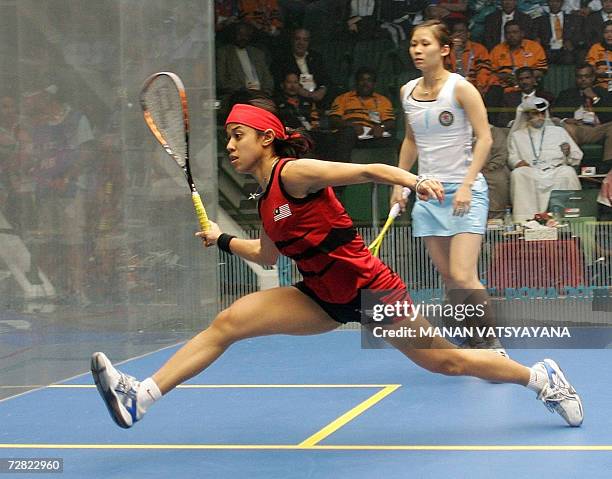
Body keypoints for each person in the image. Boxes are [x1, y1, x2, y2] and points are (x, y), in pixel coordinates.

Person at [91, 100, 583, 430]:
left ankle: (540, 377)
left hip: (374, 294)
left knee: (447, 361)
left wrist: (415, 182)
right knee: (228, 322)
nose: (231, 145)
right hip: (322, 298)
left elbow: (367, 169)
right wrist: (222, 240)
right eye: (228, 138)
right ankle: (142, 396)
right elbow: (266, 255)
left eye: (238, 135)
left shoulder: (296, 174)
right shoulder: (265, 200)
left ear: (266, 138)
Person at [392, 19, 504, 352]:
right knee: (448, 277)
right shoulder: (407, 92)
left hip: (465, 193)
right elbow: (411, 141)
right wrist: (401, 183)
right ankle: (470, 333)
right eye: (413, 44)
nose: (417, 50)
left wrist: (468, 184)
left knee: (462, 274)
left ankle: (490, 344)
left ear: (444, 50)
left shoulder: (460, 88)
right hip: (428, 195)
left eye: (425, 44)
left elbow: (485, 138)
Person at [508, 96, 583, 222]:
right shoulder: (517, 135)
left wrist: (568, 152)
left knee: (568, 172)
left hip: (555, 170)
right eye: (535, 114)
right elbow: (512, 156)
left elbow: (577, 156)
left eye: (542, 113)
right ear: (526, 116)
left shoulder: (558, 131)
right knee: (518, 174)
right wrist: (517, 162)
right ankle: (526, 221)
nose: (540, 117)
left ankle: (567, 219)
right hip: (531, 171)